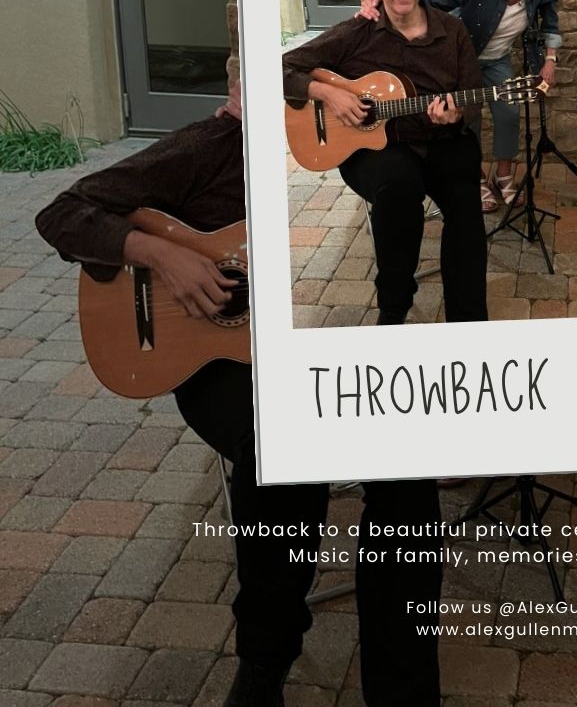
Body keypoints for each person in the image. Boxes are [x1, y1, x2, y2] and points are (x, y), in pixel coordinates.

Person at [35, 83, 443, 707]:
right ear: (240, 91)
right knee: (281, 455)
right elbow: (62, 213)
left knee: (408, 468)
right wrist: (160, 254)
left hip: (318, 363)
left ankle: (403, 687)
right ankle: (264, 663)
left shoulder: (369, 152)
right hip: (216, 361)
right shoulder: (213, 144)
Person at [283, 0, 488, 326]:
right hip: (375, 148)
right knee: (398, 193)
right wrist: (328, 93)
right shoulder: (357, 31)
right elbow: (281, 69)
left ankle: (469, 321)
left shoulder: (452, 30)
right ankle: (394, 308)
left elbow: (472, 92)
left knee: (466, 207)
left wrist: (456, 114)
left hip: (441, 139)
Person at [357, 0, 561, 211]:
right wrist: (379, 3)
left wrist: (550, 60)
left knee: (509, 113)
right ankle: (475, 179)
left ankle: (503, 175)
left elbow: (551, 25)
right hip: (460, 60)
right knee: (467, 118)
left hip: (497, 59)